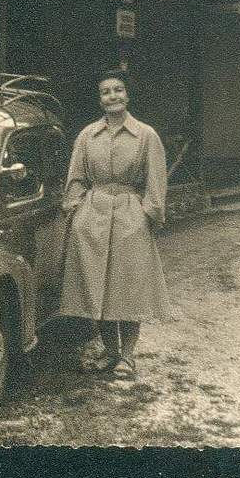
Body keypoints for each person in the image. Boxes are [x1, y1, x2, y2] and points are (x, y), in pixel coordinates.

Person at [60, 70, 172, 377]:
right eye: (106, 91)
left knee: (129, 286)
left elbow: (156, 182)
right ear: (100, 99)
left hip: (130, 217)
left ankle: (127, 355)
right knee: (101, 286)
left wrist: (149, 217)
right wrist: (77, 211)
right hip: (93, 217)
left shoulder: (146, 135)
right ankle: (109, 352)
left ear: (127, 95)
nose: (113, 96)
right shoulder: (87, 136)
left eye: (118, 90)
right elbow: (76, 178)